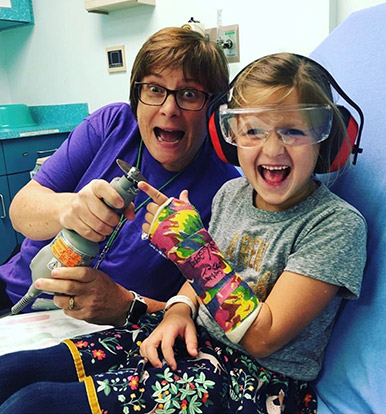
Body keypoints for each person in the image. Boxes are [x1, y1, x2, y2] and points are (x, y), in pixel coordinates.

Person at [0, 53, 366, 414]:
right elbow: (198, 281)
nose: (272, 148)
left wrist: (192, 249)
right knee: (13, 371)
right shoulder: (232, 195)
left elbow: (262, 337)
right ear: (230, 137)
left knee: (33, 405)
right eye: (253, 130)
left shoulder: (335, 225)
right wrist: (177, 311)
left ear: (328, 140)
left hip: (258, 379)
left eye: (293, 131)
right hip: (193, 337)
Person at [0, 27, 239, 326]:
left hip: (109, 333)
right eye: (154, 89)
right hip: (16, 294)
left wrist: (128, 305)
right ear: (136, 96)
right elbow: (20, 210)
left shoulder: (227, 192)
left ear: (213, 109)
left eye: (189, 94)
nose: (169, 109)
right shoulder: (111, 125)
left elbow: (202, 312)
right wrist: (69, 209)